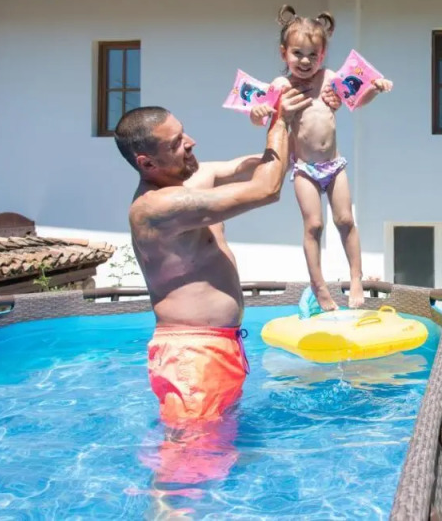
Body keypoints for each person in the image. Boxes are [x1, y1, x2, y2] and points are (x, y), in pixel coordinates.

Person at [113, 91, 308, 487]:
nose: (190, 143)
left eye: (183, 133)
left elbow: (246, 168)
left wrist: (278, 133)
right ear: (147, 163)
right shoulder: (157, 207)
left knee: (205, 453)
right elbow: (266, 190)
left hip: (216, 348)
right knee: (181, 474)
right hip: (193, 356)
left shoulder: (190, 182)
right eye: (176, 143)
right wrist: (280, 122)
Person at [249, 5, 392, 312]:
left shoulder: (329, 78)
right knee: (313, 225)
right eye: (297, 53)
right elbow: (260, 116)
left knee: (346, 220)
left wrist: (374, 89)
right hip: (305, 169)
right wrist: (258, 112)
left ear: (322, 54)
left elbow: (356, 99)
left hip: (334, 165)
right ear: (284, 53)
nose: (305, 61)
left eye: (312, 55)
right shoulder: (281, 86)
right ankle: (319, 286)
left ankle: (356, 279)